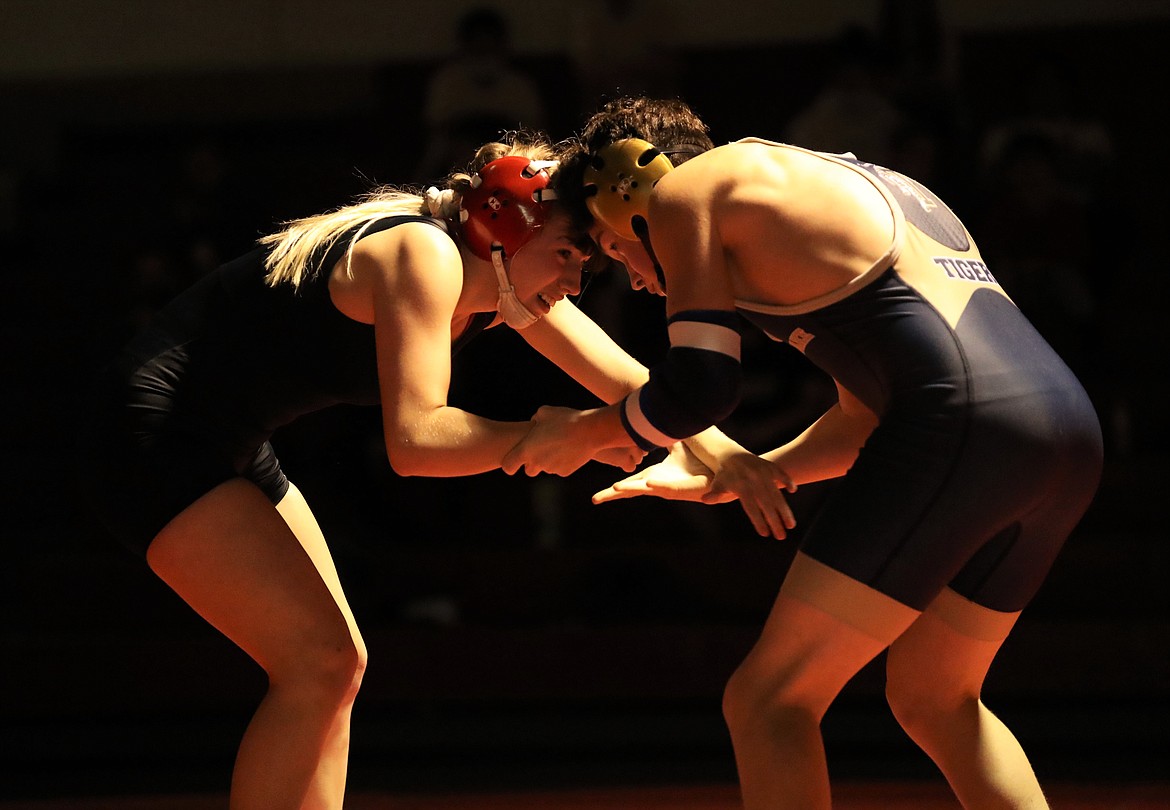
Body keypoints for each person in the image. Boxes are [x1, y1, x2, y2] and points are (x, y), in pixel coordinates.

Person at [503, 97, 1103, 809]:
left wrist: (589, 431)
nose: (632, 274)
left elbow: (700, 385)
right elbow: (867, 415)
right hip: (1063, 430)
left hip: (965, 428)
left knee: (768, 701)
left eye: (610, 246)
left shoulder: (690, 189)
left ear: (629, 183)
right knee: (939, 698)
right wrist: (760, 472)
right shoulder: (834, 187)